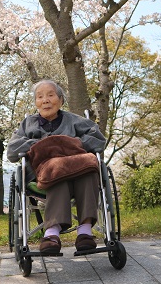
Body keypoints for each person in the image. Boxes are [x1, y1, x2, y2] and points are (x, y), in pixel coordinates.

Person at [7, 79, 106, 254]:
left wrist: (70, 145)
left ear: (61, 100)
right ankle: (51, 232)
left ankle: (85, 231)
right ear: (36, 102)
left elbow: (97, 140)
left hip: (78, 172)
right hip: (43, 176)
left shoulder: (76, 121)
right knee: (56, 171)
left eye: (50, 95)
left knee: (90, 169)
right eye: (40, 97)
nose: (45, 100)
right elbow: (13, 151)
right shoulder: (27, 124)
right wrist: (42, 146)